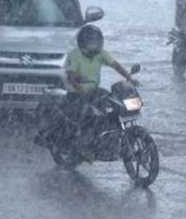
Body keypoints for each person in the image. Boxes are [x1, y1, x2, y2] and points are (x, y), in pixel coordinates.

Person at [49, 24, 138, 156]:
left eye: (96, 43)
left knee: (115, 103)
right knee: (89, 115)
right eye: (91, 43)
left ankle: (110, 136)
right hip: (76, 95)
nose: (93, 47)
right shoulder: (74, 55)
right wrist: (80, 89)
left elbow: (115, 65)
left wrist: (129, 77)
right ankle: (85, 144)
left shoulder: (101, 54)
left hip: (94, 91)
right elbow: (71, 76)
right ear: (82, 43)